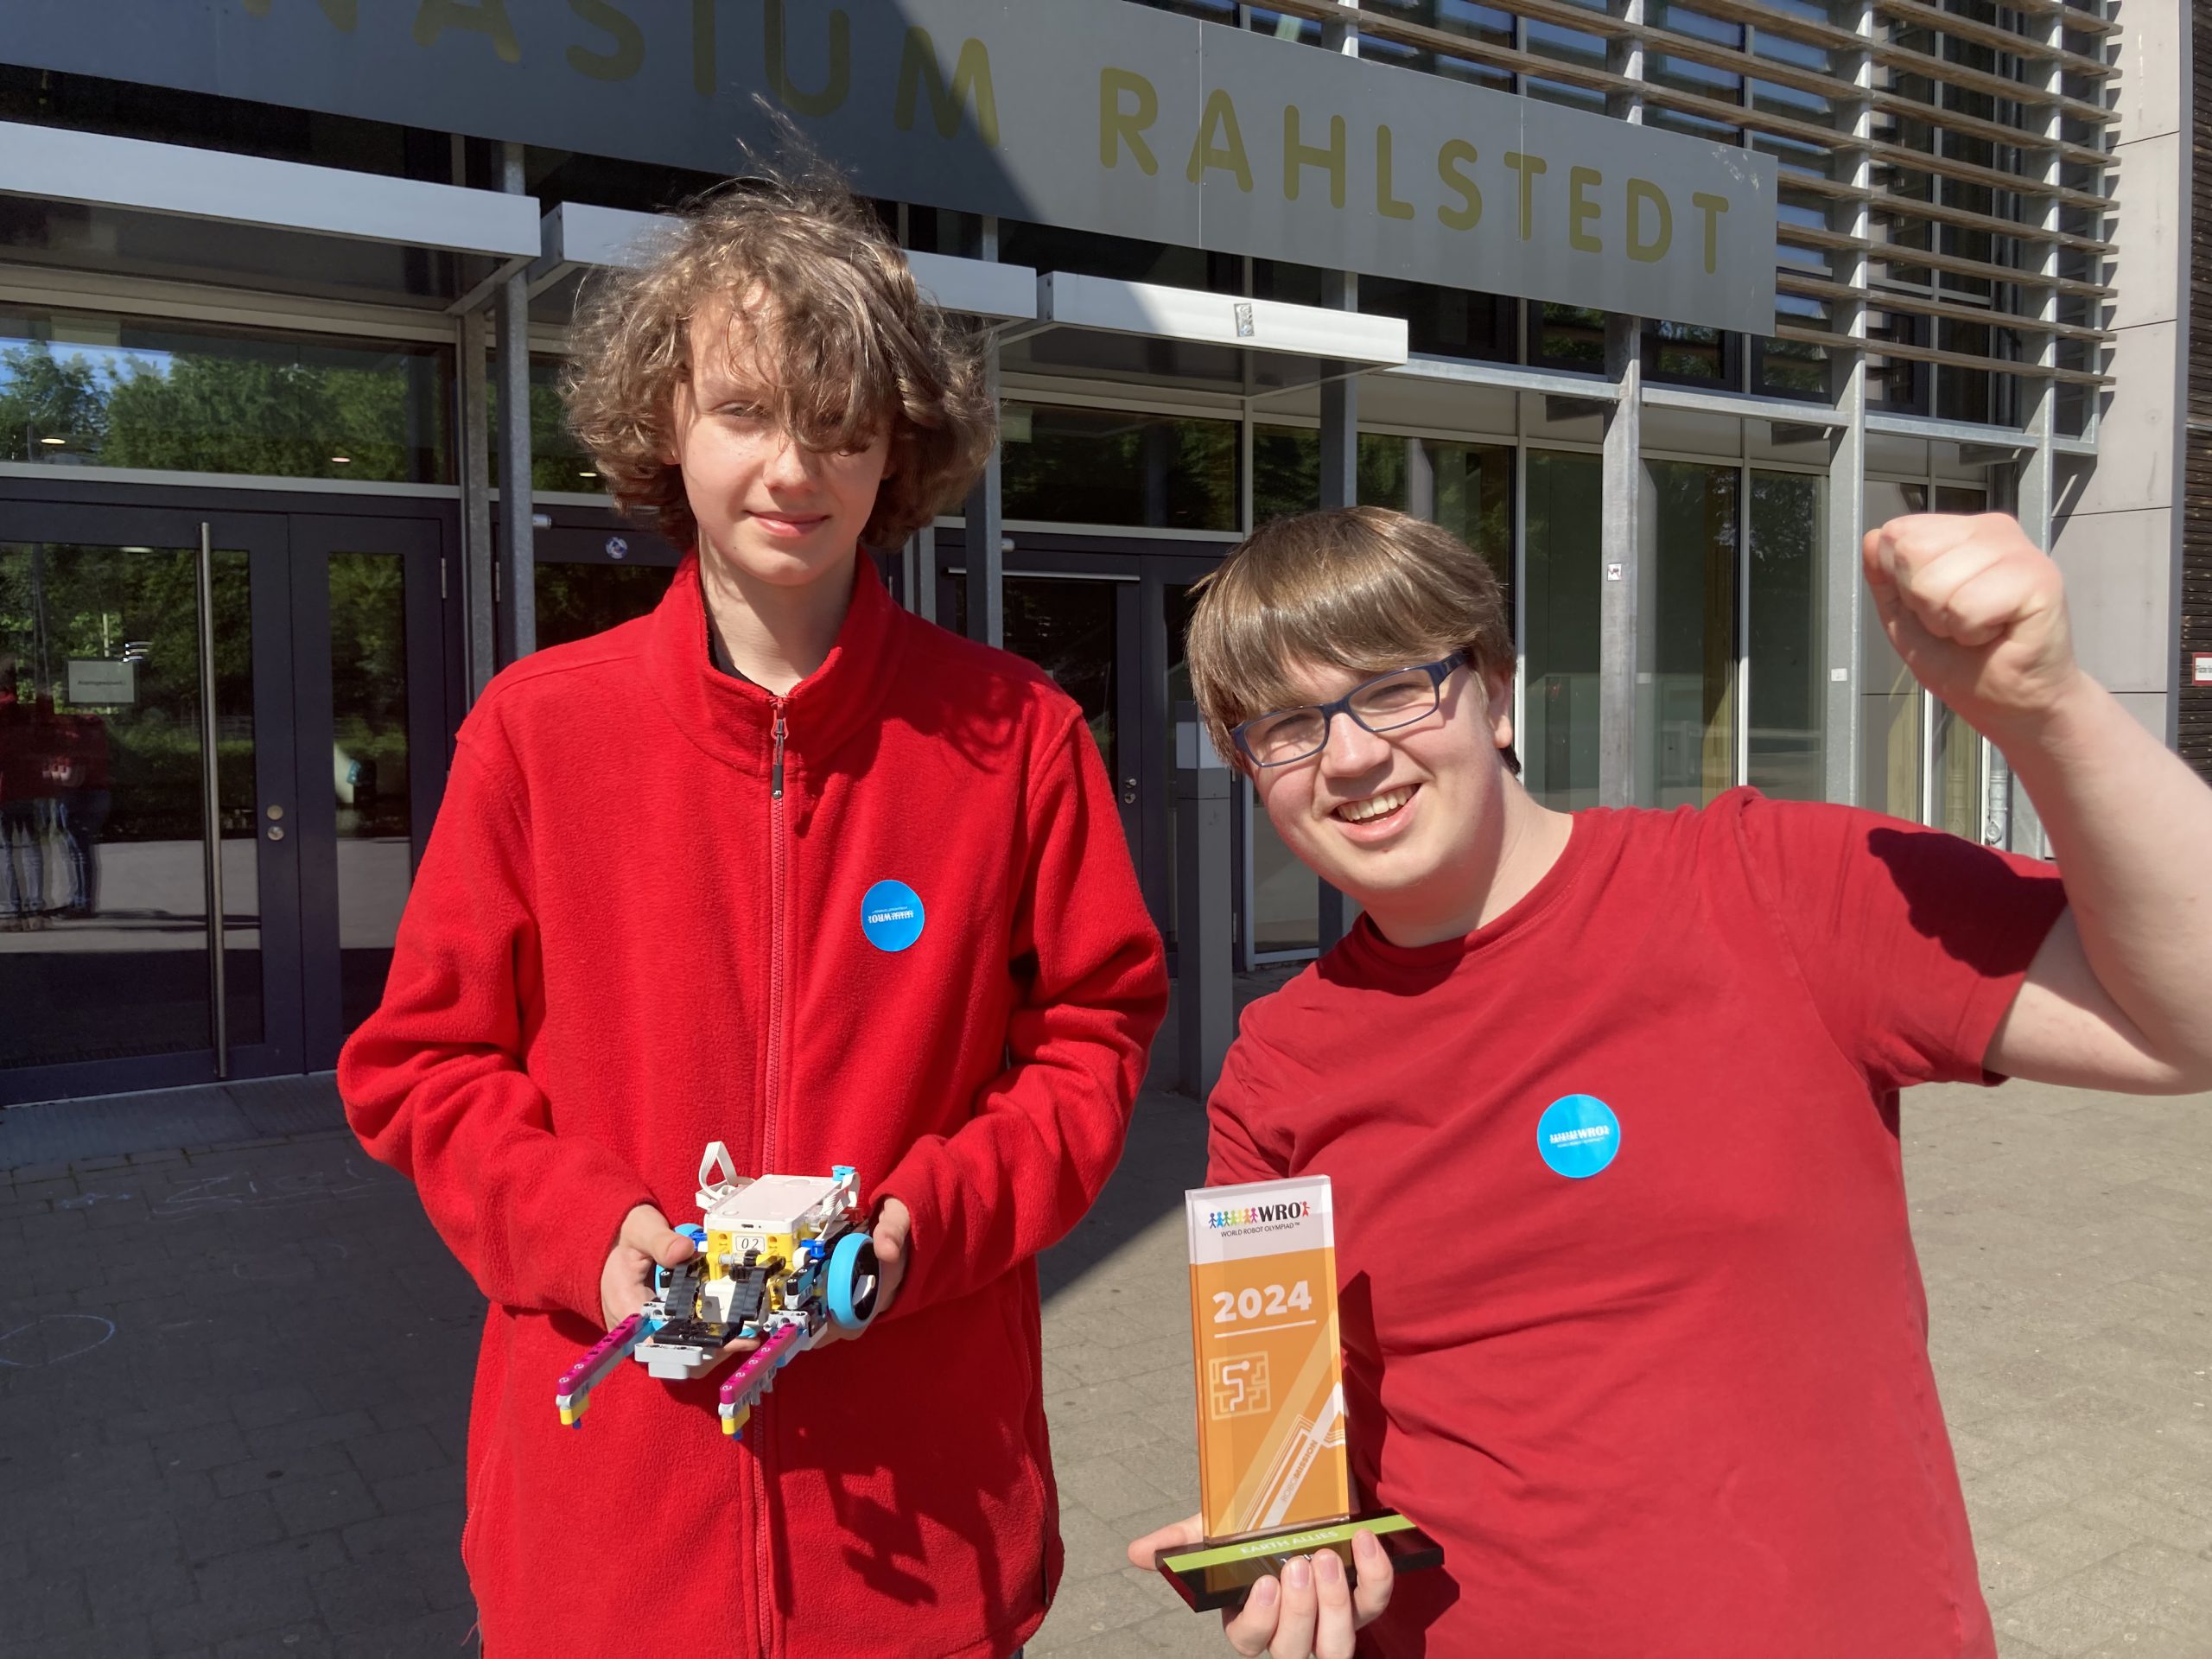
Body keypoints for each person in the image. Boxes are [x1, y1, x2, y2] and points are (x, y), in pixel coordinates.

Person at [1128, 505, 2212, 1659]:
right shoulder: (1278, 1066)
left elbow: (2183, 1025)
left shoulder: (1765, 887)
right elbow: (1290, 1435)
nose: (1349, 757)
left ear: (1499, 694)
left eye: (1396, 690)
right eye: (1287, 728)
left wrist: (2052, 713)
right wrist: (1291, 1547)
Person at [340, 170, 1167, 1659]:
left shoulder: (1015, 735)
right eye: (745, 412)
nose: (795, 469)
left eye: (842, 424)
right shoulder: (539, 732)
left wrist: (922, 1228)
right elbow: (423, 1066)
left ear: (898, 445)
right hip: (612, 1540)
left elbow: (1092, 1040)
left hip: (922, 1529)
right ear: (666, 420)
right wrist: (591, 1234)